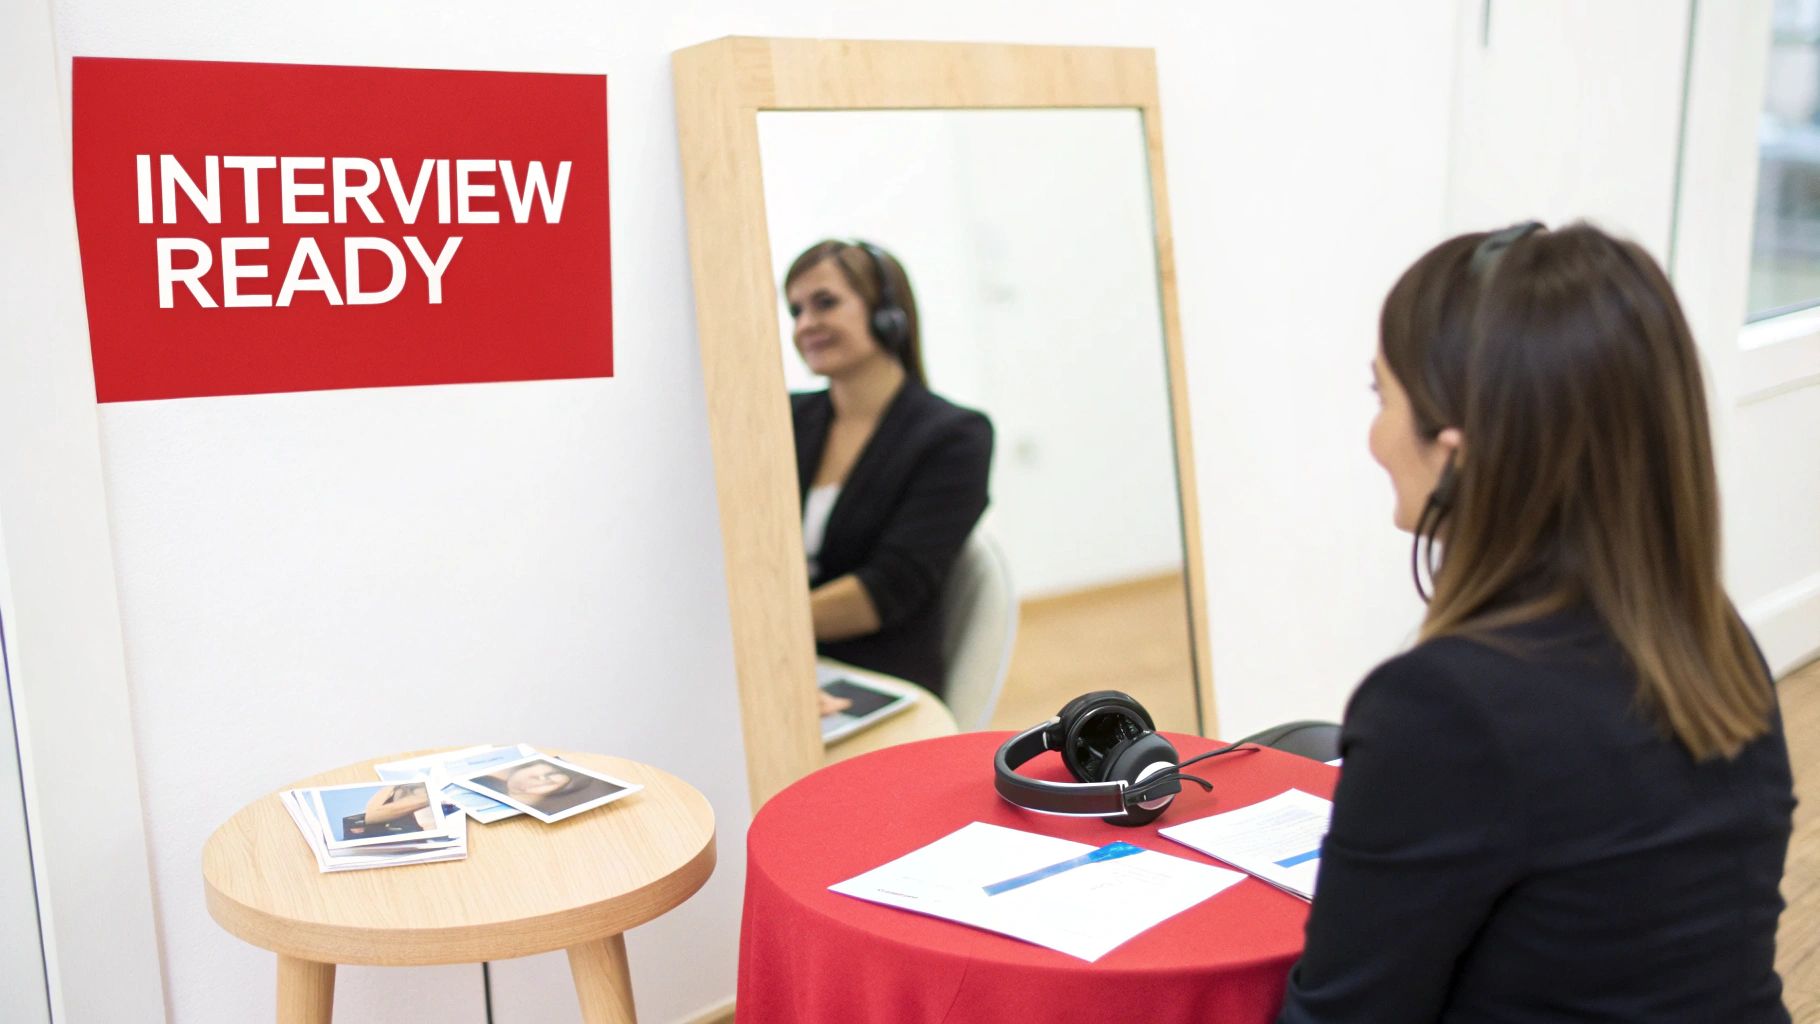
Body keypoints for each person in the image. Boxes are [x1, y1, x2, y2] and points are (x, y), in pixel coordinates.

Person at [1277, 222, 1795, 1022]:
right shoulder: (1714, 644)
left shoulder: (1444, 708)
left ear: (1454, 453)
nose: (1374, 435)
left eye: (1382, 396)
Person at [783, 240, 994, 702]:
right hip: (791, 662)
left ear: (888, 313)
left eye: (825, 303)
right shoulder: (786, 419)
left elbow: (888, 588)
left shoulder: (955, 436)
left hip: (878, 677)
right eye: (796, 310)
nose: (805, 324)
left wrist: (766, 627)